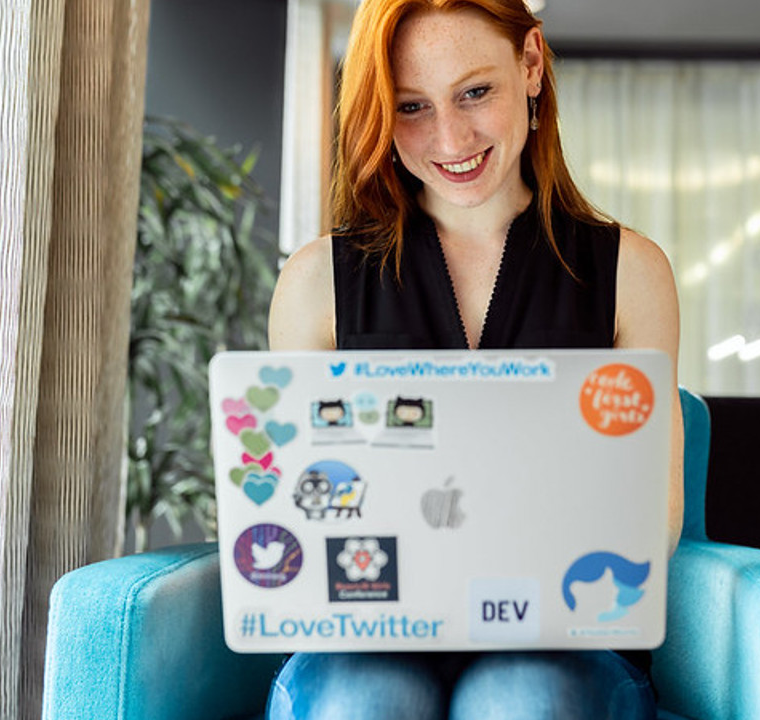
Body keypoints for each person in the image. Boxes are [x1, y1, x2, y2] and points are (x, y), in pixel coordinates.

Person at [267, 0, 683, 716]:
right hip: (369, 635)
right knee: (357, 702)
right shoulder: (316, 282)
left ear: (529, 64)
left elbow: (655, 505)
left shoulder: (629, 271)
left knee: (521, 699)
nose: (450, 137)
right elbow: (298, 504)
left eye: (475, 92)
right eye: (411, 106)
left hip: (563, 635)